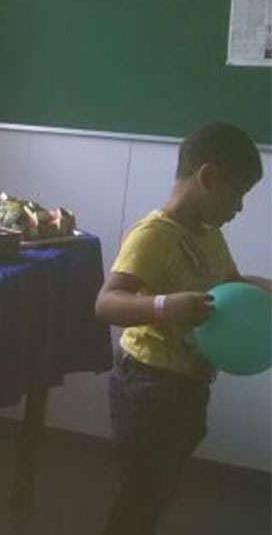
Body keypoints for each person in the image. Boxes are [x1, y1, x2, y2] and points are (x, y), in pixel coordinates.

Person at [95, 122, 270, 535]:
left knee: (159, 489)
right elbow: (106, 303)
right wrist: (164, 307)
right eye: (238, 194)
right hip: (148, 388)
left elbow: (231, 284)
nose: (239, 208)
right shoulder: (153, 235)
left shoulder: (209, 235)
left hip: (188, 386)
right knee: (139, 497)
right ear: (207, 177)